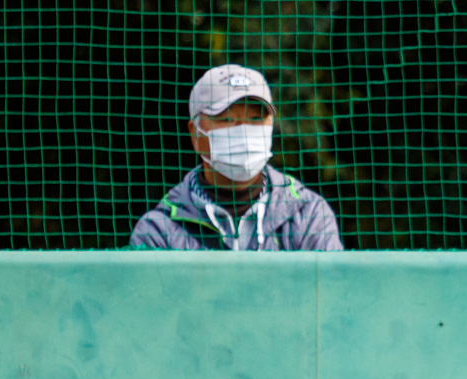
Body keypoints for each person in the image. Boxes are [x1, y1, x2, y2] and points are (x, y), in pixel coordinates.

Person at [130, 64, 343, 251]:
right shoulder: (159, 231)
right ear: (195, 134)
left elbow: (330, 293)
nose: (244, 131)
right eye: (227, 119)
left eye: (255, 119)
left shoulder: (309, 215)